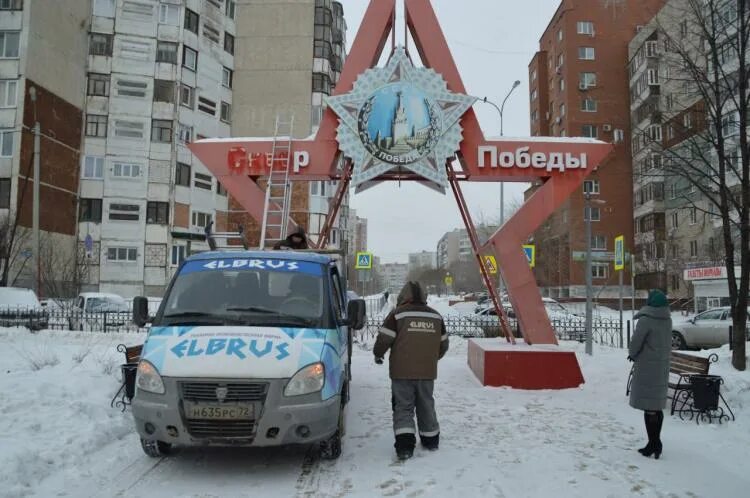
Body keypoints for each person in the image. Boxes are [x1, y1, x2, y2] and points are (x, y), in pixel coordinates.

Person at [373, 281, 449, 461]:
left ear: (403, 296)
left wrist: (378, 354)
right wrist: (430, 359)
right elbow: (443, 345)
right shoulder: (436, 317)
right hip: (427, 372)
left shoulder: (397, 315)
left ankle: (405, 447)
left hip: (401, 372)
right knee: (426, 404)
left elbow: (384, 339)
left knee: (403, 407)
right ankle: (431, 440)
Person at [628, 289, 672, 460]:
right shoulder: (667, 320)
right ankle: (655, 442)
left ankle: (653, 444)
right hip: (661, 367)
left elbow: (636, 342)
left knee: (649, 408)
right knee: (656, 407)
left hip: (647, 367)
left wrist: (632, 354)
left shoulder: (646, 320)